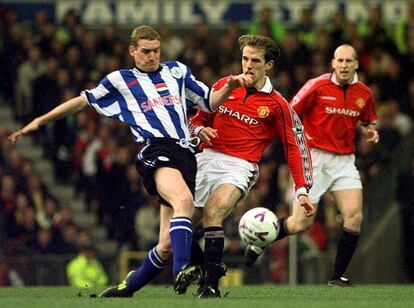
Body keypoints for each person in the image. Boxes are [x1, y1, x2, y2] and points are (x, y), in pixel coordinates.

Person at [8, 25, 253, 297]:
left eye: (156, 51)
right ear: (132, 51)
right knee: (183, 202)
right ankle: (182, 269)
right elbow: (81, 102)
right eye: (146, 52)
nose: (152, 56)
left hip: (186, 155)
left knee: (166, 244)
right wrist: (39, 121)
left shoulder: (177, 71)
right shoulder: (120, 80)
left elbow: (210, 102)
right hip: (156, 150)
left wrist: (230, 85)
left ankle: (127, 288)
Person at [188, 34, 315, 298]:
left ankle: (210, 286)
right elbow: (195, 120)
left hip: (240, 165)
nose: (248, 65)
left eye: (255, 60)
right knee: (180, 226)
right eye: (245, 58)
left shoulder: (278, 104)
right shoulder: (225, 84)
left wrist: (301, 189)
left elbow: (295, 146)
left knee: (213, 213)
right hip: (207, 158)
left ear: (268, 66)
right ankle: (207, 268)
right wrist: (200, 132)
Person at [245, 44, 379, 287]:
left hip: (344, 161)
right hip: (313, 157)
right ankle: (262, 240)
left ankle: (336, 277)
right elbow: (289, 112)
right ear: (333, 63)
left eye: (349, 61)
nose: (344, 65)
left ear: (356, 64)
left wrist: (370, 131)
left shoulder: (364, 93)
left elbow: (367, 119)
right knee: (300, 223)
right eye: (340, 60)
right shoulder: (316, 86)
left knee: (354, 217)